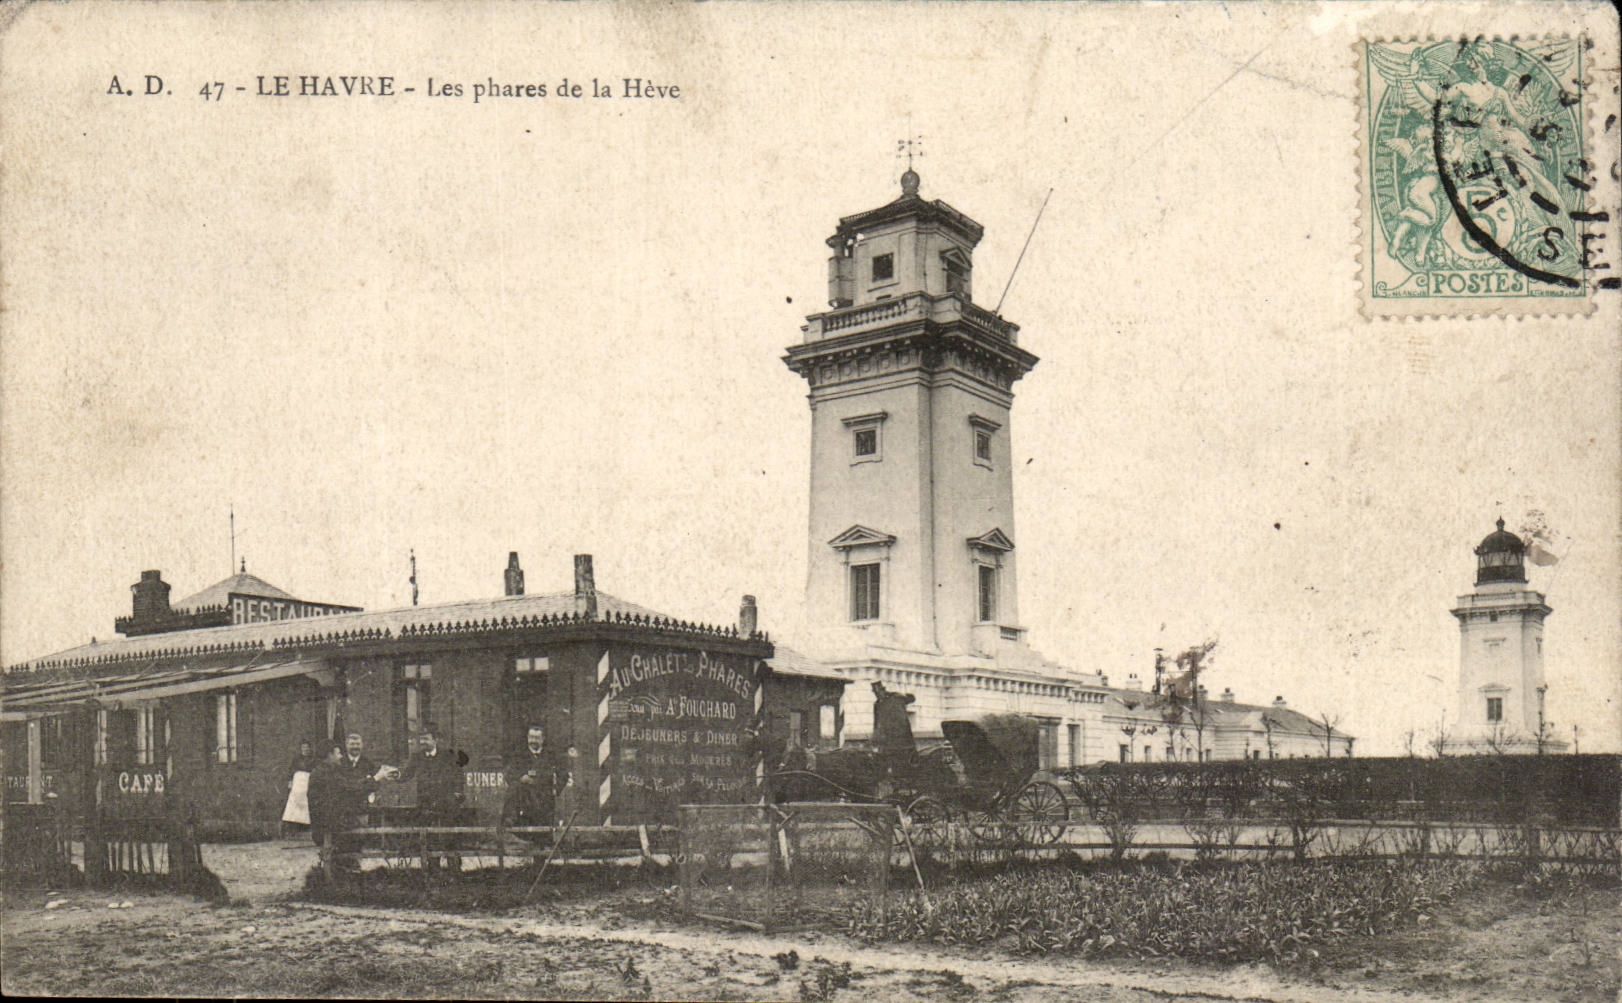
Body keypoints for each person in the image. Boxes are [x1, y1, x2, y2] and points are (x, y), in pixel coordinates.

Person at [393, 723, 467, 872]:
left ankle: (455, 869)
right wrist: (397, 776)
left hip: (447, 803)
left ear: (435, 740)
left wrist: (458, 793)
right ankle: (433, 870)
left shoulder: (448, 756)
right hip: (426, 804)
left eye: (426, 739)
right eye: (421, 739)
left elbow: (458, 776)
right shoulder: (417, 757)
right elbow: (406, 774)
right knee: (430, 837)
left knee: (450, 836)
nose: (422, 742)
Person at [504, 723, 566, 836]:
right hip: (525, 797)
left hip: (544, 796)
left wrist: (556, 789)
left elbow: (563, 774)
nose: (533, 741)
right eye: (531, 737)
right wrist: (521, 778)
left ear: (543, 739)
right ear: (527, 738)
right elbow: (509, 774)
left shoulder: (550, 756)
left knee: (543, 832)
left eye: (537, 738)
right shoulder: (519, 755)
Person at [281, 739, 317, 837]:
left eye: (307, 747)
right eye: (303, 747)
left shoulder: (313, 759)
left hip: (308, 782)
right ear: (301, 749)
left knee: (307, 804)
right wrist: (290, 781)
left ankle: (307, 826)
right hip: (298, 783)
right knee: (295, 804)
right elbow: (291, 770)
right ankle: (294, 827)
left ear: (310, 749)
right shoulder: (296, 759)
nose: (305, 749)